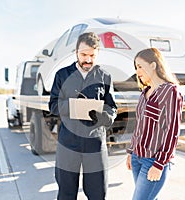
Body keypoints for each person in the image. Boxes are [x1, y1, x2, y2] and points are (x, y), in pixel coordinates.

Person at [49, 32, 117, 200]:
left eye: (92, 55)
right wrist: (74, 106)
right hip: (68, 143)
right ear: (76, 52)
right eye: (84, 54)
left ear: (98, 54)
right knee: (66, 193)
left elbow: (112, 109)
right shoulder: (62, 75)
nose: (88, 59)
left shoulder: (105, 77)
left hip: (95, 144)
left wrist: (102, 117)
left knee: (98, 194)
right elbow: (53, 106)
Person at [126, 48, 183, 200]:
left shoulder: (171, 91)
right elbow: (139, 127)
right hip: (137, 157)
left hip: (154, 159)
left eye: (140, 66)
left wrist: (160, 164)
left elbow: (172, 131)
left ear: (153, 65)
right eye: (135, 67)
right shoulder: (144, 93)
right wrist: (131, 152)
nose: (137, 72)